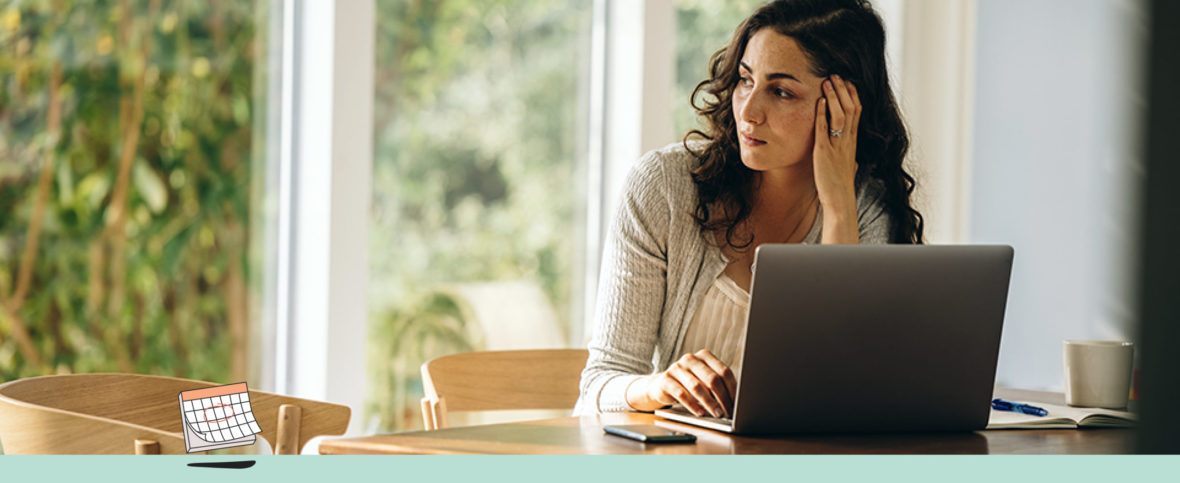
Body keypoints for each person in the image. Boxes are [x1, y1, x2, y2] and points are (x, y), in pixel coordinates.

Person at [573, 0, 925, 418]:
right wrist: (658, 386)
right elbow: (598, 387)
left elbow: (842, 393)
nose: (749, 111)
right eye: (745, 80)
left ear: (842, 108)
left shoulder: (865, 209)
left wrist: (837, 207)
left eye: (780, 91)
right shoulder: (665, 186)